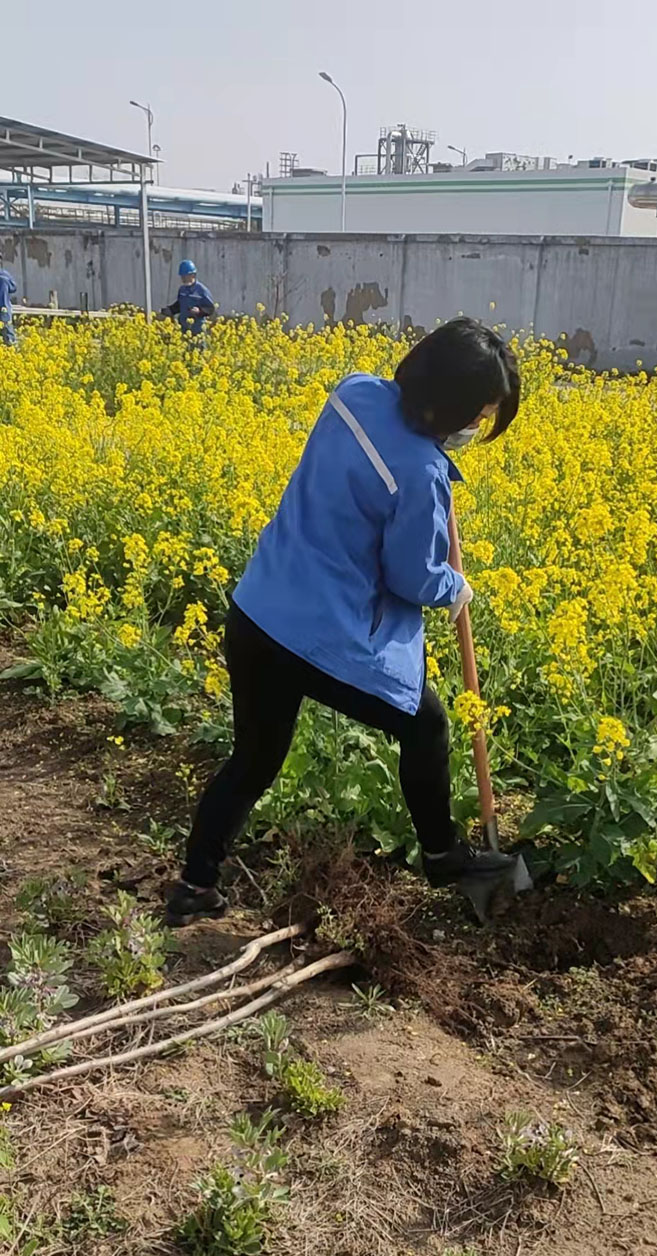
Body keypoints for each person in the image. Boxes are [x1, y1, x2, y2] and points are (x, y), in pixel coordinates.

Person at [166, 317, 521, 926]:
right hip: (322, 639)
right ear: (452, 404)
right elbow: (412, 575)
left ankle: (195, 884)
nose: (477, 429)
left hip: (258, 612)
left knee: (253, 757)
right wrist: (453, 586)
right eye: (479, 415)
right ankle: (442, 855)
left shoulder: (354, 390)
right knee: (426, 725)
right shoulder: (422, 472)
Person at [161, 259, 215, 336]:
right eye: (182, 276)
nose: (183, 279)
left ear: (192, 275)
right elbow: (180, 305)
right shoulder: (182, 289)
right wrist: (170, 310)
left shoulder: (202, 290)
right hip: (183, 328)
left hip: (198, 330)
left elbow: (210, 308)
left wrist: (200, 311)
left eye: (185, 276)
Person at [0, 253, 18, 347]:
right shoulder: (5, 274)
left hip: (4, 307)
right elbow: (14, 288)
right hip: (5, 308)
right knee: (8, 333)